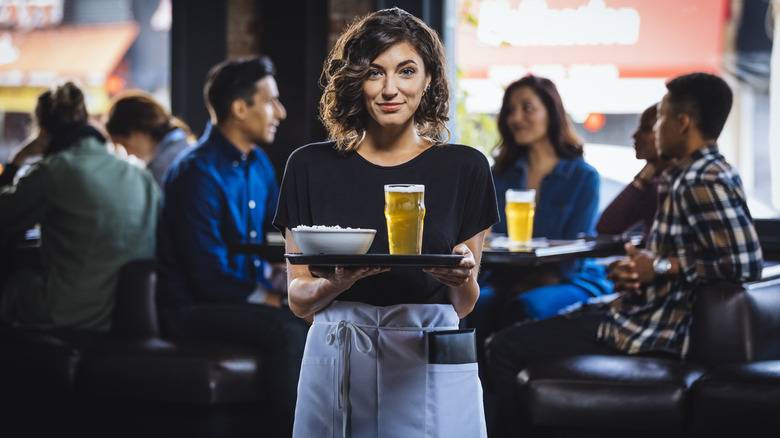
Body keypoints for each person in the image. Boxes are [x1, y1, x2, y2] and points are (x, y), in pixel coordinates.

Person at [485, 72, 764, 438]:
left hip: (646, 327)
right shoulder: (685, 175)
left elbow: (746, 263)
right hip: (632, 311)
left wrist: (661, 265)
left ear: (682, 123)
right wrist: (642, 266)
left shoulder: (702, 178)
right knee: (512, 331)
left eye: (660, 117)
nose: (652, 127)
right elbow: (666, 249)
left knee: (502, 347)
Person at [272, 8, 499, 437]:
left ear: (429, 77)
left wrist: (458, 276)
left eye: (406, 71)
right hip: (338, 347)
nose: (390, 89)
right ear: (357, 81)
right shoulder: (309, 166)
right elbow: (299, 299)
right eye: (375, 73)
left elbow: (465, 303)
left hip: (428, 350)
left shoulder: (465, 167)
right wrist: (333, 285)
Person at [155, 55, 307, 436]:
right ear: (240, 108)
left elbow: (274, 245)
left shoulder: (259, 164)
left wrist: (296, 282)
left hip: (242, 298)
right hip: (193, 309)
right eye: (271, 101)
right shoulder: (196, 173)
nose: (281, 112)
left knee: (331, 315)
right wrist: (279, 300)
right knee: (290, 327)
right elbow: (208, 280)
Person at [469, 75, 610, 368]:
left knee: (525, 306)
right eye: (510, 110)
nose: (515, 118)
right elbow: (486, 239)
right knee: (477, 308)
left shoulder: (583, 177)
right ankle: (480, 407)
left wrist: (524, 282)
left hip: (571, 277)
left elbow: (570, 260)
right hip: (507, 277)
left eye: (527, 108)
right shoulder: (499, 175)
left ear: (552, 113)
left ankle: (515, 409)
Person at [0, 81, 159, 332]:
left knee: (15, 282)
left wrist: (16, 162)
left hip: (71, 315)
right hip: (129, 314)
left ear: (42, 132)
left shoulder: (53, 172)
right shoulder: (139, 176)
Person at [596, 103, 674, 245]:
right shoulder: (653, 183)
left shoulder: (681, 183)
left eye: (645, 129)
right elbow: (606, 227)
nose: (634, 135)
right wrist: (646, 173)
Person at [105, 90, 194, 186]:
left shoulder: (159, 170)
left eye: (124, 144)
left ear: (137, 133)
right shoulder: (185, 146)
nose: (128, 153)